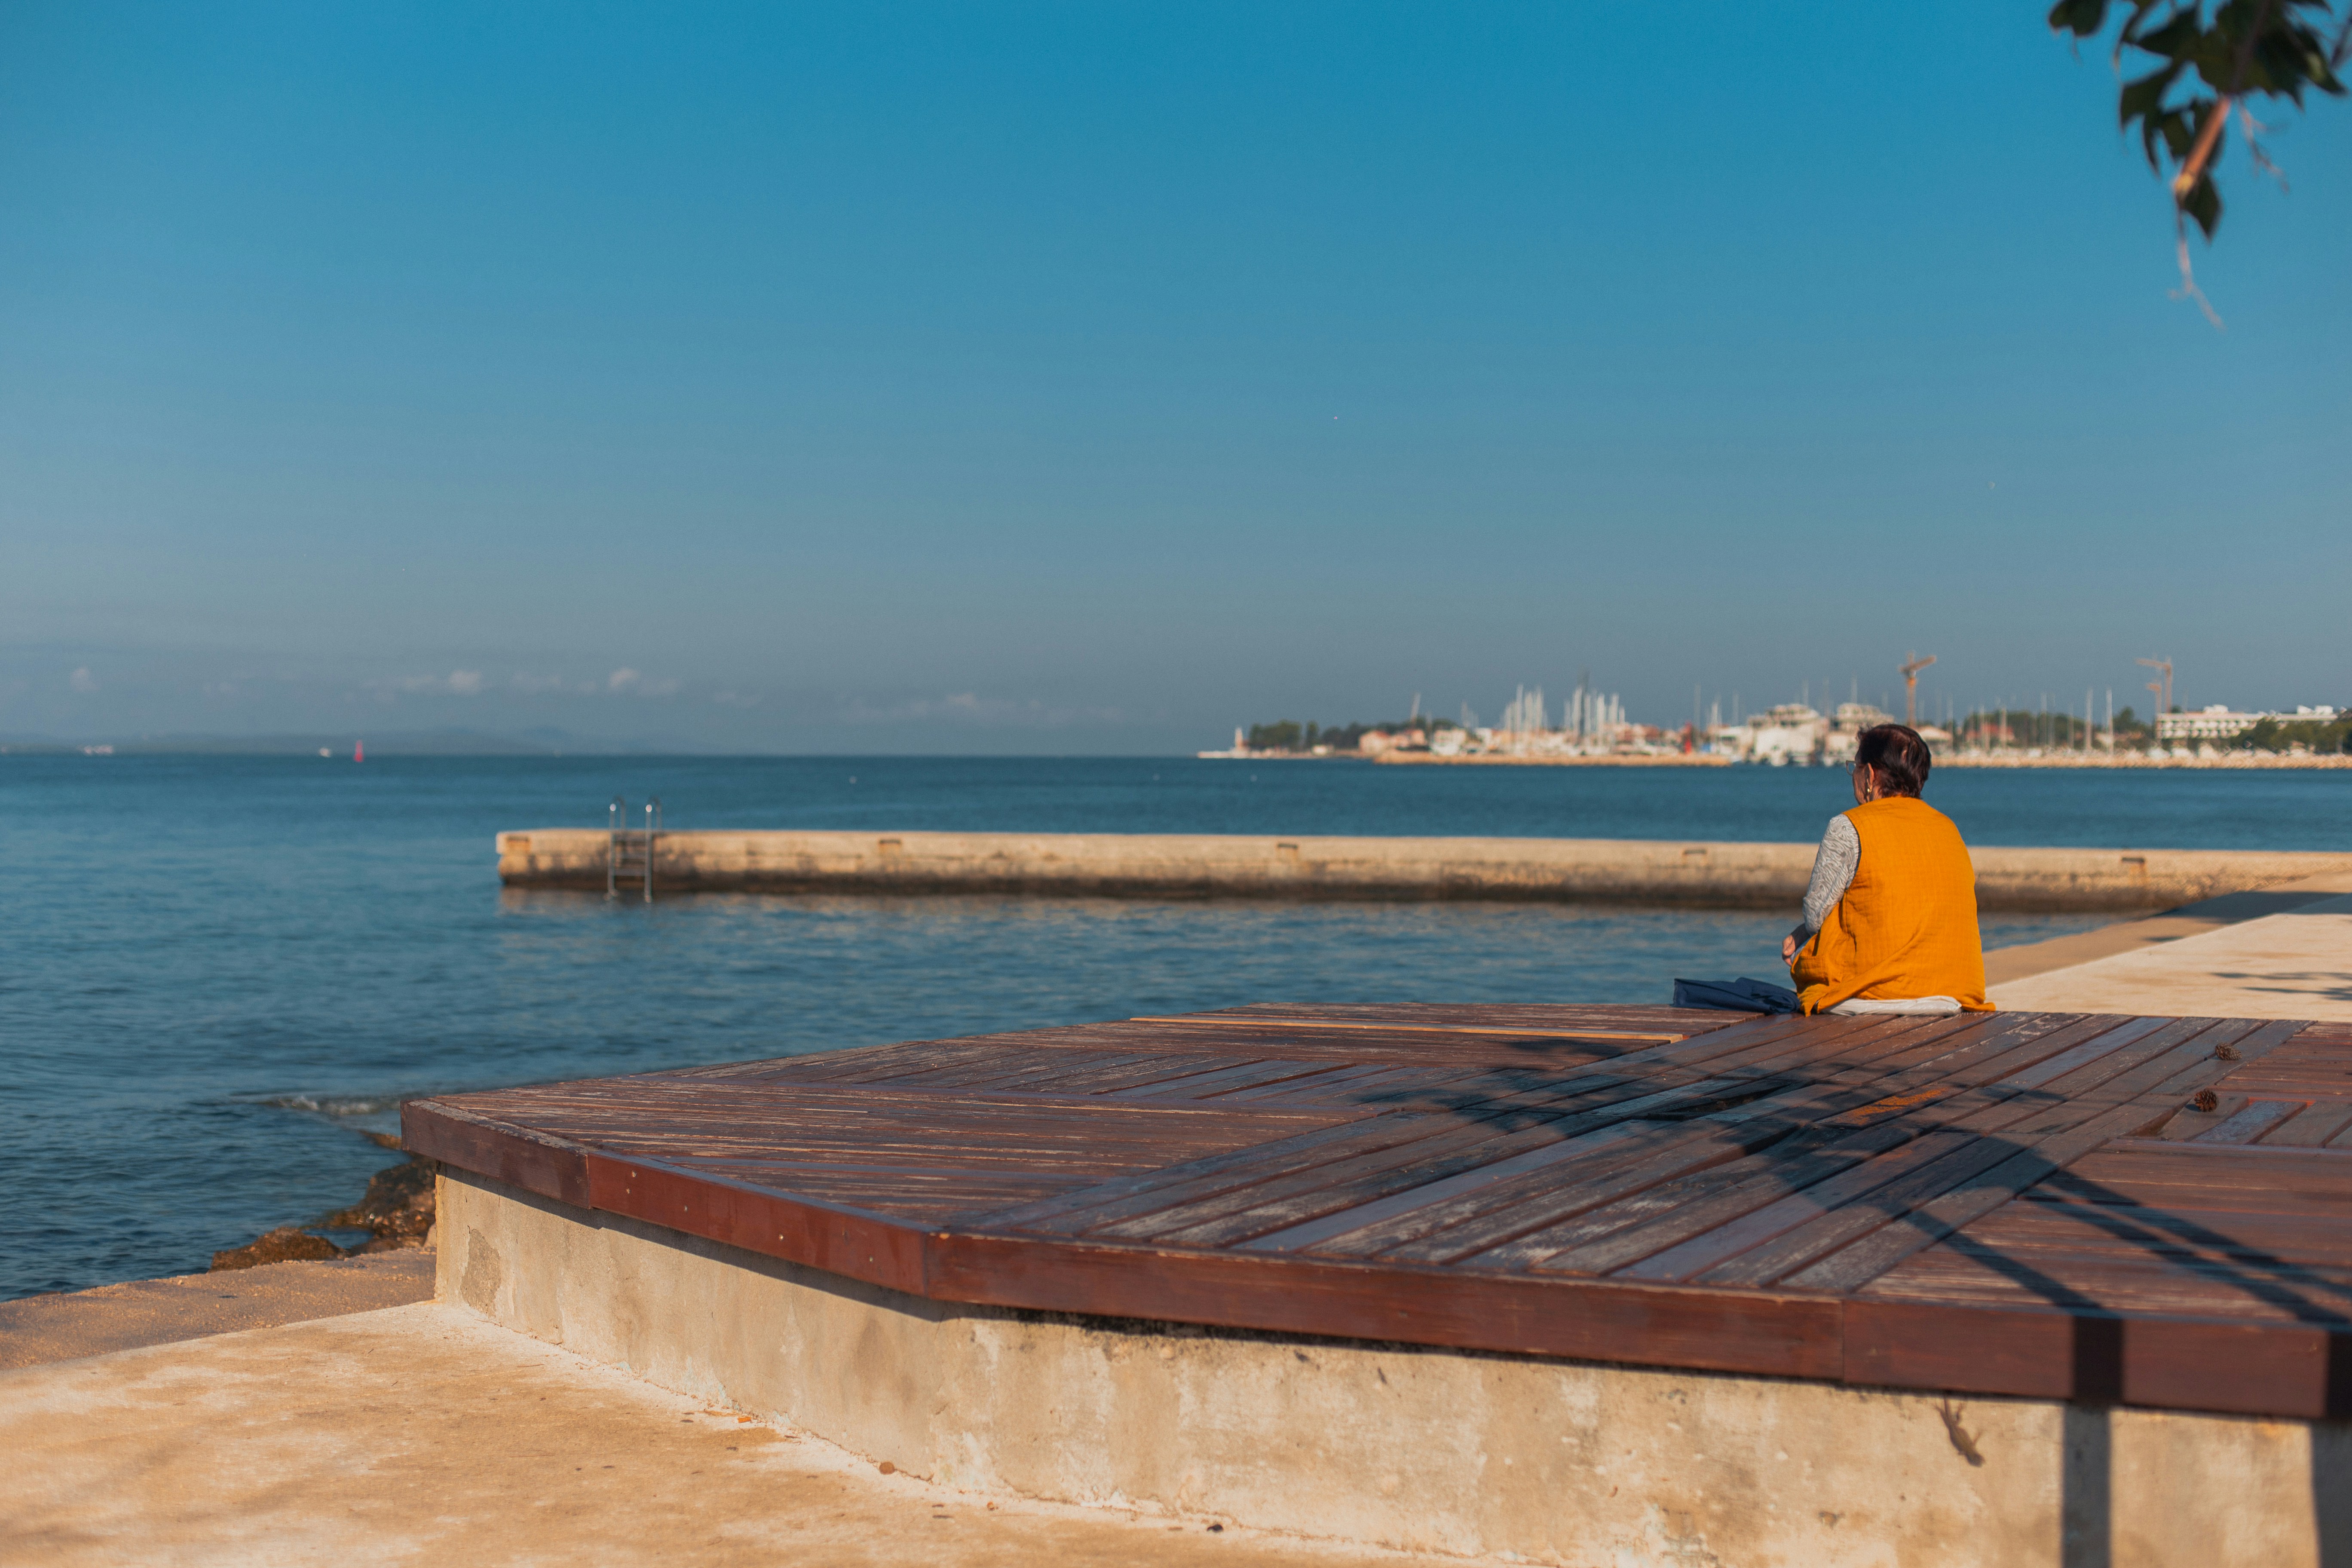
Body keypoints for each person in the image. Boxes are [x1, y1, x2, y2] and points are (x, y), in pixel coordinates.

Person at [1781, 723, 1991, 1016]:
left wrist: (1804, 932)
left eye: (1854, 766)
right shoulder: (1947, 828)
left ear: (1869, 775)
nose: (1853, 775)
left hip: (1872, 996)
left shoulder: (1849, 826)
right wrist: (1802, 932)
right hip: (1950, 995)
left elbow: (1816, 918)